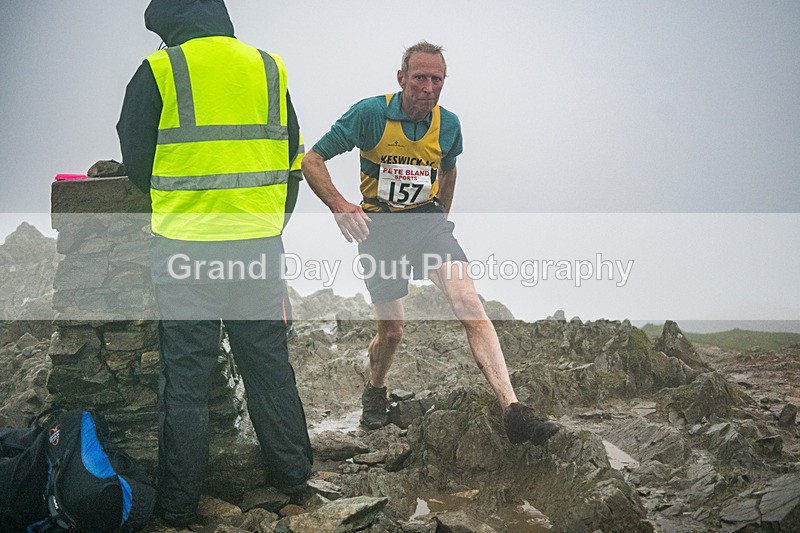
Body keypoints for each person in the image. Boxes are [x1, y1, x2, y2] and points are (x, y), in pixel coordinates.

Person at [302, 41, 559, 446]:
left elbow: (449, 170)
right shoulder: (369, 114)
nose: (428, 86)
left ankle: (513, 410)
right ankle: (375, 390)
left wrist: (441, 217)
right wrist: (339, 205)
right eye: (419, 77)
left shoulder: (449, 124)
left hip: (426, 223)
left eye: (436, 79)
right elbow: (311, 160)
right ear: (401, 78)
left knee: (469, 302)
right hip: (379, 230)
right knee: (392, 333)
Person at [116, 0, 312, 526]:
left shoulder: (160, 69)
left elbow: (137, 159)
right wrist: (267, 220)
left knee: (185, 378)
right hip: (256, 246)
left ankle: (178, 506)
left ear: (170, 23)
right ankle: (293, 478)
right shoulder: (269, 67)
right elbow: (290, 154)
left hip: (185, 246)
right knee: (268, 364)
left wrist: (181, 203)